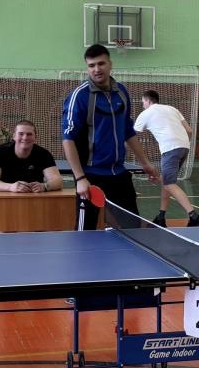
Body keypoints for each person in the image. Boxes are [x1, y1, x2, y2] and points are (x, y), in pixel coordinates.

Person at [62, 44, 160, 229]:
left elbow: (128, 131)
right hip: (90, 175)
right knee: (85, 232)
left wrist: (145, 163)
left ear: (110, 64)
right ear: (87, 68)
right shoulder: (79, 96)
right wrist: (80, 178)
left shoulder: (121, 92)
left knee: (133, 229)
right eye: (91, 65)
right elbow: (68, 140)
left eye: (101, 63)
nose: (96, 69)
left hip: (118, 173)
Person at [133, 90, 199, 227]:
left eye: (143, 102)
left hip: (170, 149)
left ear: (148, 101)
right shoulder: (172, 109)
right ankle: (161, 217)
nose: (143, 105)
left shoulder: (145, 114)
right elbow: (189, 130)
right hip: (184, 147)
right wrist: (183, 143)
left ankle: (193, 216)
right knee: (167, 182)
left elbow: (132, 136)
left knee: (169, 184)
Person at [0, 120, 64, 193]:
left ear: (35, 137)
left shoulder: (43, 154)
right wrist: (11, 187)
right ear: (14, 136)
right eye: (21, 134)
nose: (25, 138)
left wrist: (45, 186)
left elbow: (58, 181)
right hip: (5, 199)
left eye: (29, 134)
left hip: (34, 199)